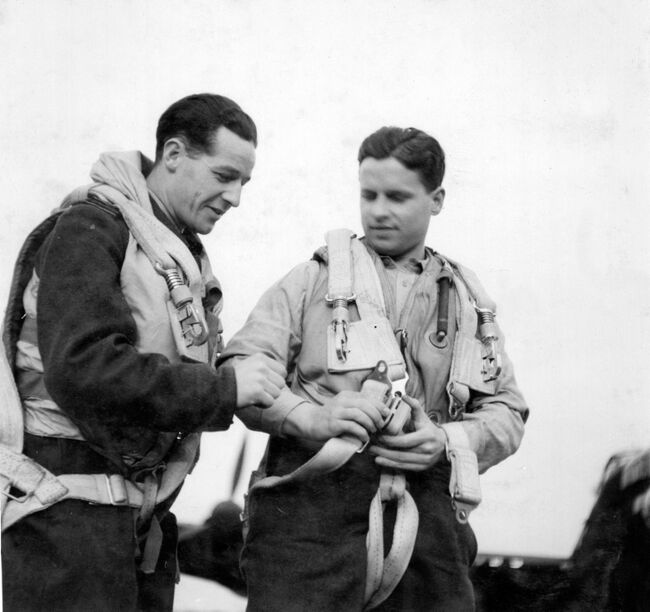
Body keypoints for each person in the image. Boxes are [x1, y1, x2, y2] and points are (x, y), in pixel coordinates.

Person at [221, 126, 529, 611]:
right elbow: (243, 366)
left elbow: (508, 412)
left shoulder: (470, 305)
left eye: (398, 197)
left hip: (429, 530)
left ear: (437, 199)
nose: (379, 210)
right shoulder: (309, 283)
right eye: (369, 195)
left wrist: (445, 441)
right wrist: (311, 417)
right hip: (311, 525)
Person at [0, 93, 286, 611]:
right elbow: (83, 366)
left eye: (244, 182)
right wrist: (223, 390)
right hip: (69, 519)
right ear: (173, 154)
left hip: (131, 523)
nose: (236, 197)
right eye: (224, 175)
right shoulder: (90, 229)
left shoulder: (172, 250)